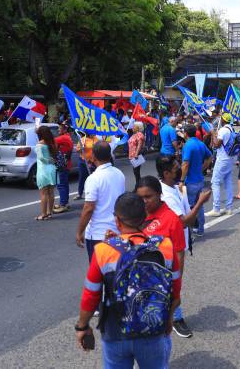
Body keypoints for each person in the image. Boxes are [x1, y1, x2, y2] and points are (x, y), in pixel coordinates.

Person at [74, 192, 176, 369]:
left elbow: (90, 295)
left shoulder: (103, 251)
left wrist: (82, 327)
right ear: (144, 217)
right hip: (152, 329)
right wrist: (169, 319)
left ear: (117, 220)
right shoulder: (165, 246)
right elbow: (174, 291)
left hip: (116, 332)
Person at [156, 158, 211, 338]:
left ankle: (165, 314)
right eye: (175, 168)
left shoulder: (172, 187)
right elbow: (183, 221)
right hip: (171, 247)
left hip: (177, 243)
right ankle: (175, 318)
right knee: (174, 281)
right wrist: (200, 202)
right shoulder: (167, 194)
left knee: (171, 281)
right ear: (166, 173)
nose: (179, 169)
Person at [136, 176, 185, 351]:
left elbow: (179, 253)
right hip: (137, 283)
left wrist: (175, 286)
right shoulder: (136, 213)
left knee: (160, 332)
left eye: (148, 196)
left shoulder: (171, 219)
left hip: (160, 285)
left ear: (159, 194)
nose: (144, 201)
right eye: (140, 197)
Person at [75, 141, 125, 262]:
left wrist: (79, 232)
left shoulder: (94, 179)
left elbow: (88, 208)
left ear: (93, 156)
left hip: (98, 234)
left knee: (98, 275)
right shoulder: (119, 174)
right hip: (117, 232)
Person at [180, 125, 212, 238]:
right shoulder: (200, 143)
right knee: (199, 205)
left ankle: (189, 232)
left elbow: (185, 164)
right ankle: (200, 229)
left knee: (188, 207)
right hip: (199, 179)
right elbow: (210, 157)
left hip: (191, 181)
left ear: (186, 133)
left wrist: (181, 180)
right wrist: (202, 168)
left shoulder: (188, 145)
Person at [205, 113, 236, 217]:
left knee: (215, 182)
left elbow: (217, 145)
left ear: (223, 120)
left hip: (223, 159)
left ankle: (216, 208)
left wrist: (214, 133)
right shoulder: (232, 129)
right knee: (228, 182)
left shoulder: (223, 130)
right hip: (230, 159)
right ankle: (229, 208)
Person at [34, 126, 58, 220]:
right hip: (52, 168)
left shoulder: (40, 144)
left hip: (43, 169)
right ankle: (49, 212)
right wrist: (51, 161)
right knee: (51, 192)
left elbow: (40, 158)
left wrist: (48, 161)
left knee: (43, 193)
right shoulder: (52, 143)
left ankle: (43, 214)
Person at [53, 122, 73, 213]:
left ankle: (63, 204)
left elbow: (51, 142)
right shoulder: (68, 137)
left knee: (61, 185)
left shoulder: (63, 138)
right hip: (66, 163)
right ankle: (64, 202)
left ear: (64, 129)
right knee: (64, 184)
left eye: (59, 128)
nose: (58, 130)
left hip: (62, 164)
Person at [74, 133, 99, 200]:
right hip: (83, 161)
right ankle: (80, 193)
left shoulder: (96, 139)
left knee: (94, 178)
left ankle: (95, 193)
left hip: (93, 162)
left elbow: (98, 150)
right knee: (82, 178)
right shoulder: (82, 139)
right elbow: (77, 150)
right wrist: (82, 148)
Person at [128, 121, 146, 190]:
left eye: (134, 126)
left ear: (138, 127)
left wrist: (136, 154)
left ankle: (138, 187)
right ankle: (139, 186)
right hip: (132, 156)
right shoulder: (134, 134)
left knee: (136, 172)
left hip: (136, 156)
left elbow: (139, 144)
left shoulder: (139, 134)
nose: (132, 127)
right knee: (136, 172)